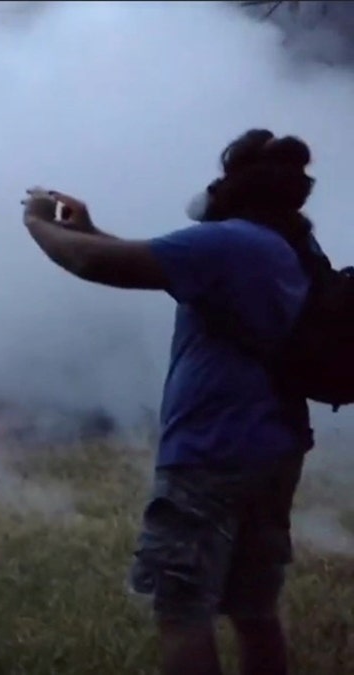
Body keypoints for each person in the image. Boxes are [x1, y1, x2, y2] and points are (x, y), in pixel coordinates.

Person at [19, 128, 320, 675]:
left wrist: (38, 223)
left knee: (182, 610)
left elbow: (93, 264)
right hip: (273, 446)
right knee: (254, 608)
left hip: (211, 449)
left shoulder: (230, 242)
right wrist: (90, 228)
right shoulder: (287, 246)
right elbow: (153, 262)